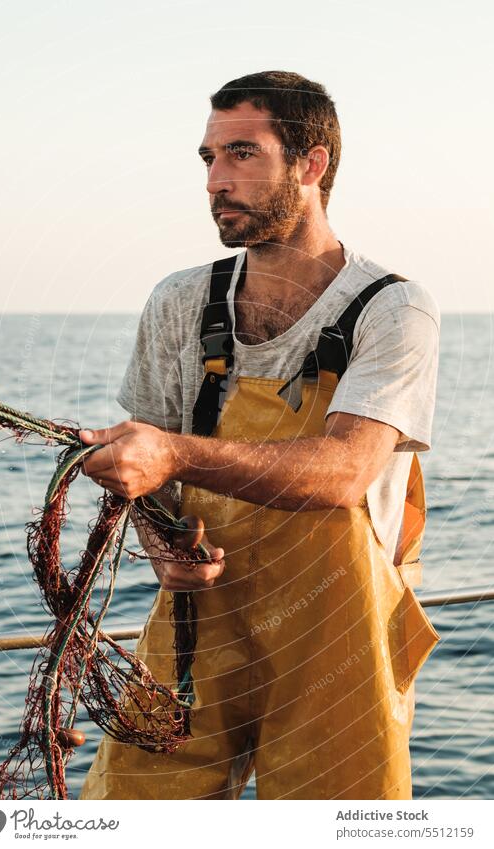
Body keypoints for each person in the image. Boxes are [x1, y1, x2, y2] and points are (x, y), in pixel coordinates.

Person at [79, 70, 441, 800]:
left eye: (242, 154)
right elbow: (147, 475)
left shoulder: (392, 309)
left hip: (335, 642)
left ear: (312, 164)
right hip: (196, 617)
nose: (216, 179)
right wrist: (160, 545)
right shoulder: (180, 300)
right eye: (208, 159)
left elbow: (344, 469)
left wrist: (175, 453)